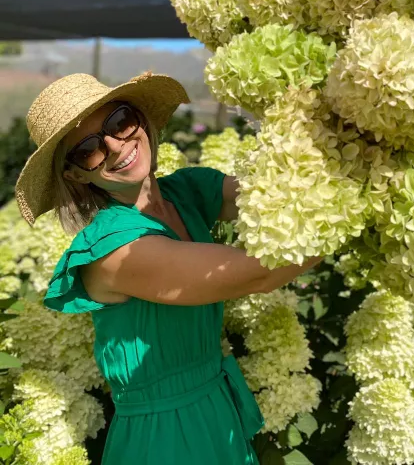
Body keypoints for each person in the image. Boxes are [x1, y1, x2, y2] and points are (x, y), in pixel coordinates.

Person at [16, 71, 321, 465]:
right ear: (75, 174)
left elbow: (275, 194)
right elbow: (261, 272)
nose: (115, 146)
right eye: (88, 149)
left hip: (217, 405)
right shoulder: (115, 251)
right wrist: (351, 209)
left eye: (118, 121)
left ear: (138, 118)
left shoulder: (187, 191)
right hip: (165, 438)